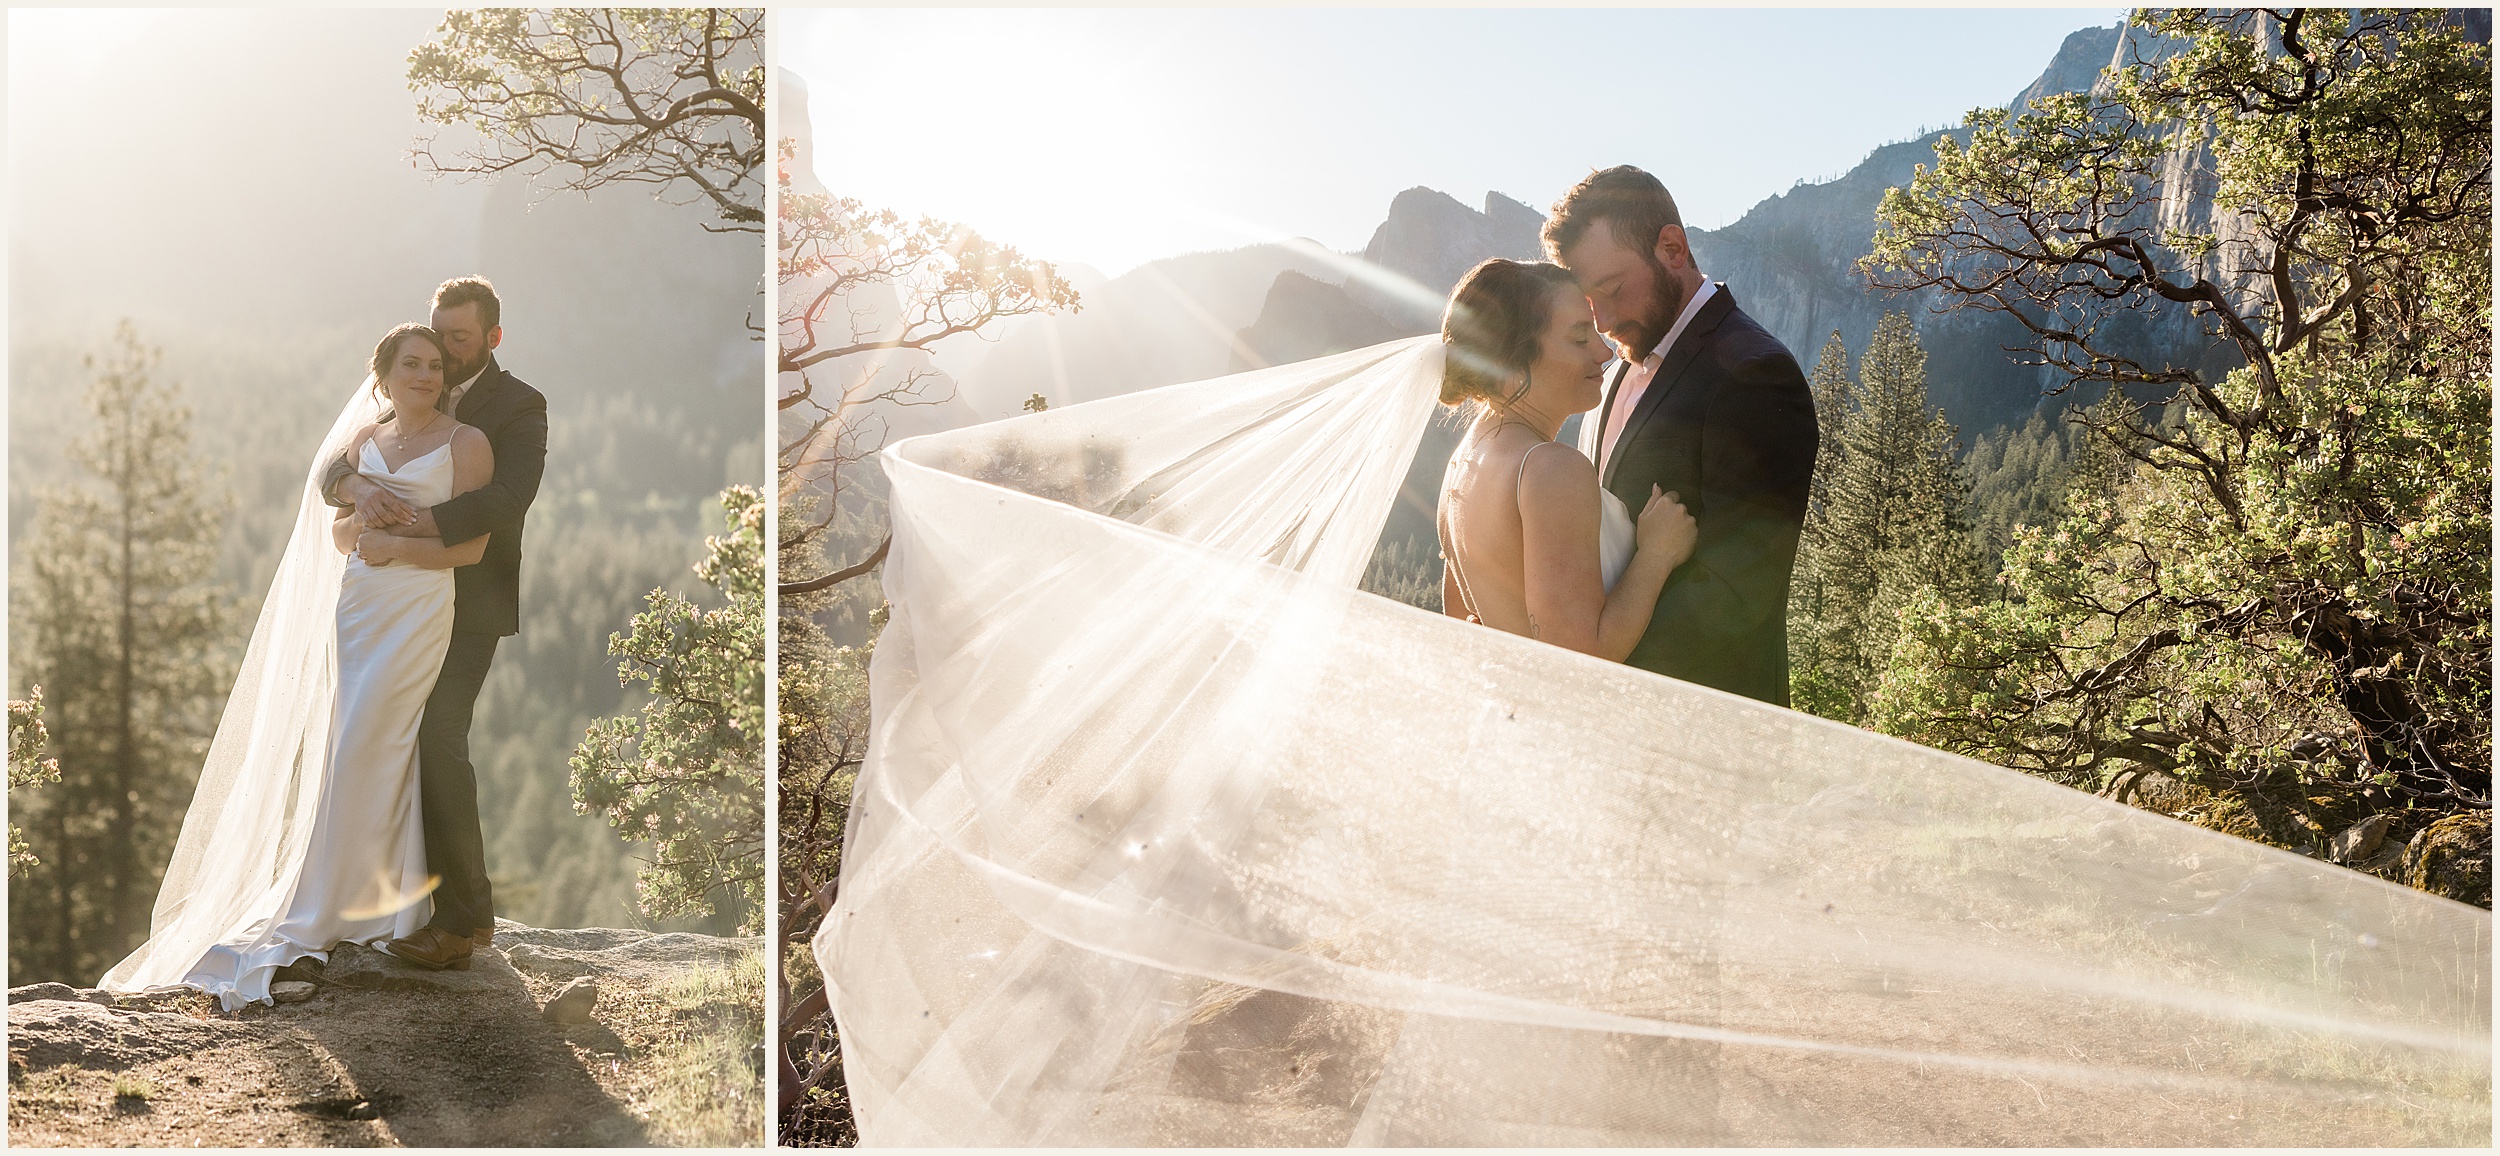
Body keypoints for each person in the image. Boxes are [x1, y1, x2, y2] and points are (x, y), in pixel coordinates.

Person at [101, 324, 493, 1007]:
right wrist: (365, 530)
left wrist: (393, 548)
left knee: (376, 737)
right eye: (411, 364)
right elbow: (339, 535)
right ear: (385, 375)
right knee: (352, 741)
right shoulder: (366, 444)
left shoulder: (467, 445)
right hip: (360, 608)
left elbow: (471, 549)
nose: (425, 376)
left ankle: (372, 904)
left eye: (434, 365)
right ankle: (369, 899)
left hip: (418, 606)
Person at [321, 276, 548, 972]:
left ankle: (459, 922)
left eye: (457, 339)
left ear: (491, 338)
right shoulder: (404, 389)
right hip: (384, 606)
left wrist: (406, 527)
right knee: (376, 734)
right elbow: (335, 467)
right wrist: (357, 488)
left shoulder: (519, 405)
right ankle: (399, 900)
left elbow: (508, 497)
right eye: (436, 334)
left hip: (468, 600)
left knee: (437, 737)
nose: (442, 354)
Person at [1547, 165, 1817, 705]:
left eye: (1613, 289)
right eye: (1588, 300)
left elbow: (1735, 593)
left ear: (1673, 248)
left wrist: (1597, 675)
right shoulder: (1620, 361)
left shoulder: (1755, 374)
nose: (1599, 321)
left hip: (1703, 731)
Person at [1433, 257, 1697, 661]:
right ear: (1511, 363)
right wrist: (1656, 555)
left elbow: (1460, 617)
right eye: (1579, 339)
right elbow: (1581, 655)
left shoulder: (1463, 462)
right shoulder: (1551, 467)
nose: (1604, 352)